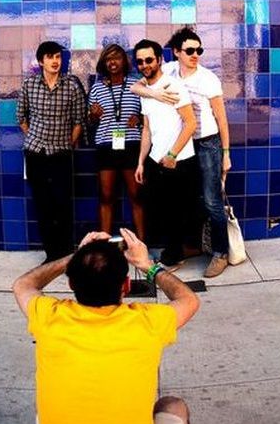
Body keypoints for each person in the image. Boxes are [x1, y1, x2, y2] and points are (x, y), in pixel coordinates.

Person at [12, 227, 199, 424]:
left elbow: (23, 284)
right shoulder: (148, 322)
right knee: (173, 407)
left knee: (48, 410)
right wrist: (147, 264)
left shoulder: (48, 317)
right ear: (125, 286)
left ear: (71, 283)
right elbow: (188, 299)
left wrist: (77, 256)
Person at [163, 28, 232, 279]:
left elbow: (222, 120)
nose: (195, 55)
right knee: (187, 199)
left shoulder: (208, 79)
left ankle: (220, 253)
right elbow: (144, 85)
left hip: (206, 144)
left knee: (211, 200)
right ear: (177, 52)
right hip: (180, 144)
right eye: (190, 50)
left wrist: (225, 153)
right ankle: (193, 246)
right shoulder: (169, 71)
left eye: (199, 50)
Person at [132, 39, 201, 268]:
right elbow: (147, 129)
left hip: (178, 160)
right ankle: (173, 253)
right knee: (161, 210)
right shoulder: (146, 92)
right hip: (156, 159)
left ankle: (175, 257)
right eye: (140, 61)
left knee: (177, 212)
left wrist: (172, 154)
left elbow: (190, 123)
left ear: (160, 59)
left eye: (149, 59)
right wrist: (141, 162)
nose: (145, 65)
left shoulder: (174, 86)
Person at [16, 41, 87, 261]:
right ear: (41, 61)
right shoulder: (29, 84)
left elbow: (79, 121)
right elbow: (21, 117)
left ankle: (65, 252)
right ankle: (51, 253)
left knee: (63, 204)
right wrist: (34, 138)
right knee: (43, 204)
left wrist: (67, 143)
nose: (55, 61)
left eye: (57, 56)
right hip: (36, 153)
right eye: (50, 57)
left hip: (61, 154)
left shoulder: (72, 85)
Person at [88, 43, 145, 238]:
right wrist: (93, 115)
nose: (112, 62)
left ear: (124, 61)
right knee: (106, 197)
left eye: (116, 57)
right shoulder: (97, 88)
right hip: (106, 146)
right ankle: (104, 245)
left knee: (136, 196)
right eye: (108, 58)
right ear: (104, 63)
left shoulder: (137, 85)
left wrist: (140, 119)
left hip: (131, 145)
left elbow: (149, 115)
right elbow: (92, 121)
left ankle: (142, 245)